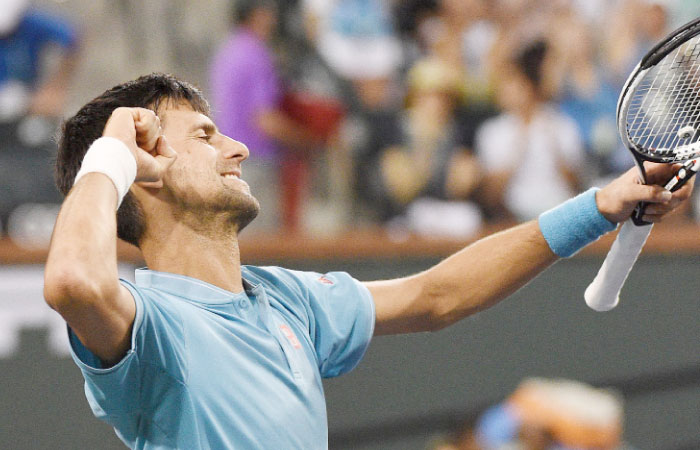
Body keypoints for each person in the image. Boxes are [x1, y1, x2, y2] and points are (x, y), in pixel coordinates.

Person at [44, 73, 692, 450]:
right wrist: (110, 155)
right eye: (206, 135)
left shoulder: (288, 300)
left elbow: (437, 297)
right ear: (144, 168)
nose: (238, 147)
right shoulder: (148, 325)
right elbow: (73, 279)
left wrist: (599, 205)